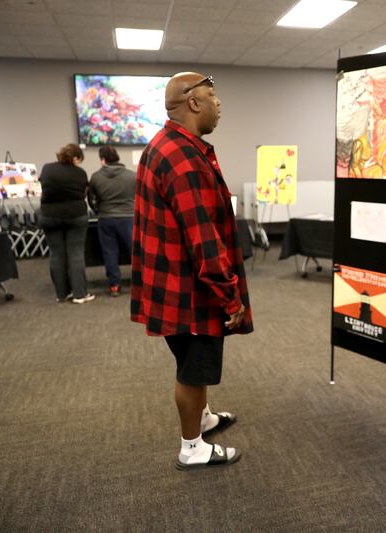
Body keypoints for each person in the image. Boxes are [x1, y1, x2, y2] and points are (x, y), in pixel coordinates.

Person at [131, 72, 253, 470]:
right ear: (193, 103)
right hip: (192, 290)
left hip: (170, 284)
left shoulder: (163, 146)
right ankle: (192, 447)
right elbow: (204, 237)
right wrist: (229, 296)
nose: (220, 104)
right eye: (213, 96)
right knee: (193, 369)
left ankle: (202, 418)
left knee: (188, 360)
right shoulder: (185, 159)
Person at [38, 143, 94, 304]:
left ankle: (62, 294)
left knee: (56, 254)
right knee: (75, 254)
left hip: (49, 216)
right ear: (76, 158)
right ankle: (80, 294)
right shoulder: (80, 173)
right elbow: (84, 192)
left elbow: (43, 185)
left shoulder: (47, 168)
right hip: (75, 215)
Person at [88, 145, 135, 296]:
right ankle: (141, 283)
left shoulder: (96, 177)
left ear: (103, 160)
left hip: (106, 218)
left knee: (110, 253)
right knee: (134, 252)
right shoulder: (132, 176)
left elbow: (91, 199)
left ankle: (114, 285)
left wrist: (98, 211)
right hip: (129, 218)